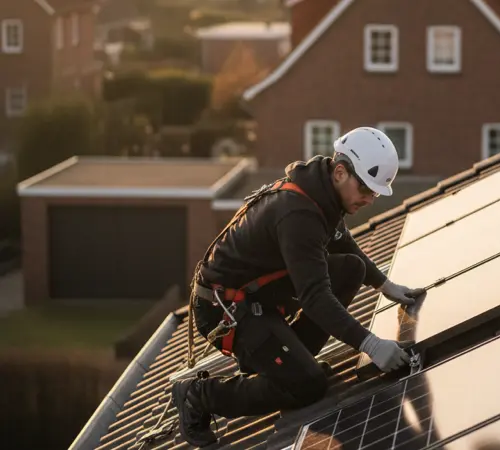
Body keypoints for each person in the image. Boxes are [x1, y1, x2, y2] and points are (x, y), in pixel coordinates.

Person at [171, 127, 425, 447]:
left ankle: (291, 359)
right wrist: (372, 346)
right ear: (341, 172)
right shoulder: (298, 212)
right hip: (225, 308)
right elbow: (315, 297)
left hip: (258, 297)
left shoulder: (321, 193)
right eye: (365, 188)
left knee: (352, 269)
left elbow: (341, 242)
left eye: (375, 192)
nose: (370, 198)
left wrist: (384, 284)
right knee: (306, 387)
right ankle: (198, 395)